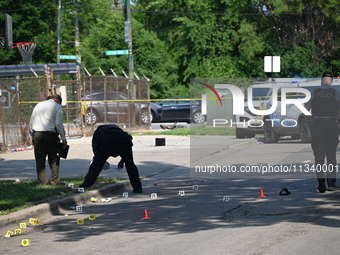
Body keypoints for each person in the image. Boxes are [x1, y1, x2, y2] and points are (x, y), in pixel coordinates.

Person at [79, 124, 143, 193]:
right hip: (125, 140)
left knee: (96, 165)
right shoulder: (117, 129)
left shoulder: (97, 132)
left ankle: (86, 184)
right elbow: (126, 152)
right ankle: (137, 188)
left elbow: (95, 150)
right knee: (130, 164)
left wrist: (99, 160)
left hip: (109, 140)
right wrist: (122, 161)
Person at [305, 72, 340, 193]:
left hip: (318, 127)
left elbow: (306, 108)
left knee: (319, 156)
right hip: (331, 127)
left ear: (321, 81)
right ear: (331, 82)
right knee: (331, 156)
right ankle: (331, 184)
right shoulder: (335, 93)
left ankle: (321, 182)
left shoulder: (314, 93)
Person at [29, 94, 68, 185]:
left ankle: (42, 182)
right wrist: (63, 138)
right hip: (50, 134)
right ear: (57, 100)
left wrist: (32, 135)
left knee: (40, 158)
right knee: (54, 158)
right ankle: (55, 181)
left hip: (37, 134)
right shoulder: (57, 107)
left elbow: (31, 122)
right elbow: (58, 124)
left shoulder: (38, 105)